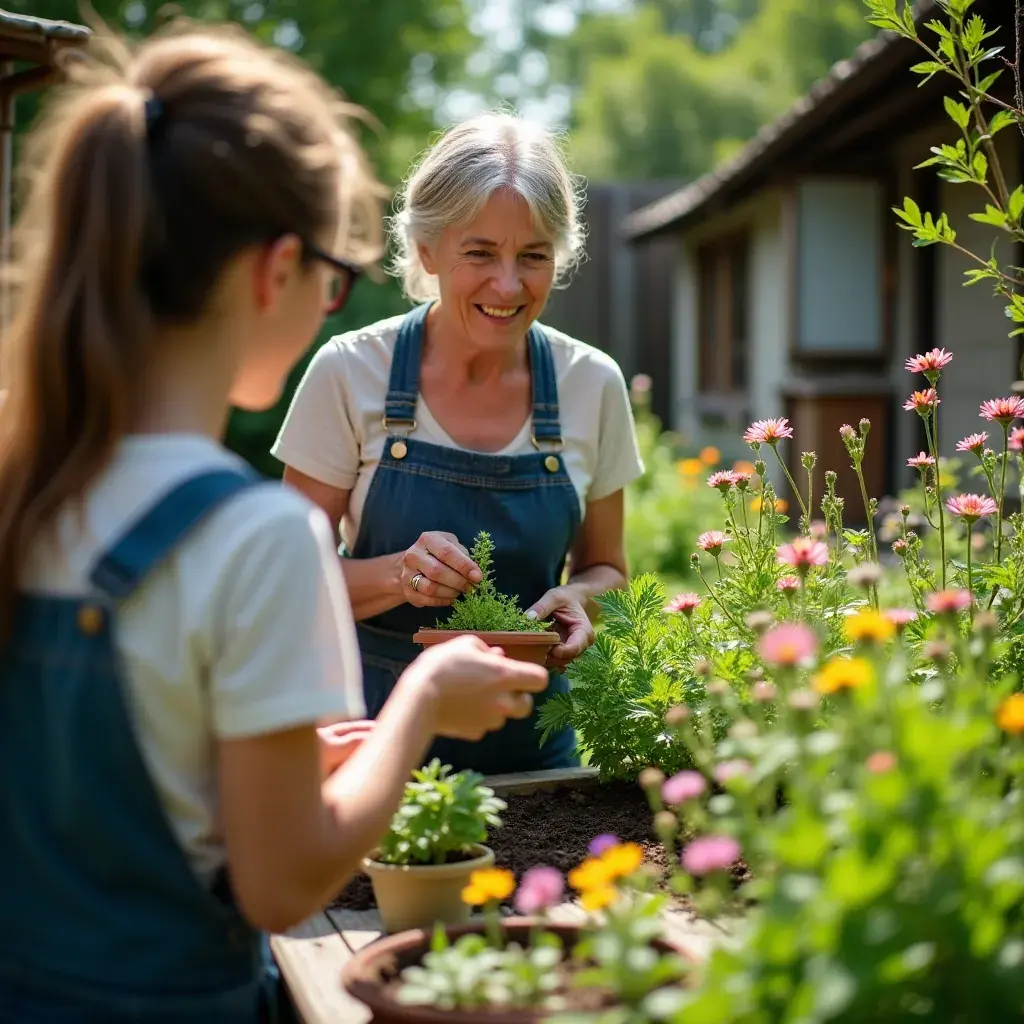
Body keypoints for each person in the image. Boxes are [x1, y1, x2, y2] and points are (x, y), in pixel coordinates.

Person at [0, 23, 550, 1023]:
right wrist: (421, 698)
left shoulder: (26, 483)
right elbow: (285, 882)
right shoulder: (254, 537)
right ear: (275, 270)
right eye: (333, 277)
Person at [274, 113, 644, 776]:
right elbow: (289, 583)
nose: (508, 286)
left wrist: (580, 601)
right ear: (427, 251)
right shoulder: (349, 371)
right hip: (370, 752)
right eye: (479, 254)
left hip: (536, 759)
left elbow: (608, 568)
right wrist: (398, 574)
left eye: (533, 256)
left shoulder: (592, 384)